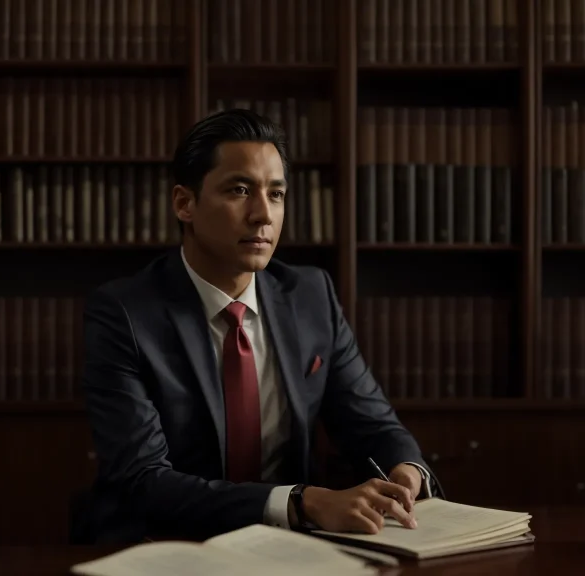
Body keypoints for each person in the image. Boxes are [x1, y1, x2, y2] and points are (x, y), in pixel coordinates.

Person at [81, 108, 442, 544]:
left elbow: (372, 424)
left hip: (290, 551)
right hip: (164, 546)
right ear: (185, 203)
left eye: (276, 194)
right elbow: (144, 480)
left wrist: (407, 469)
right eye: (239, 190)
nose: (262, 215)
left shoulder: (311, 296)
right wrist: (300, 502)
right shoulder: (124, 313)